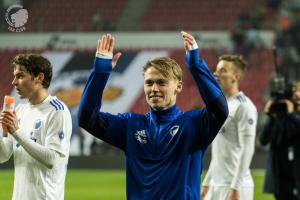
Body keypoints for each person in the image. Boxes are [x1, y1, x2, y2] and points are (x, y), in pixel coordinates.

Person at [78, 31, 228, 199]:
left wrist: (195, 65)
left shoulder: (194, 124)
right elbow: (86, 119)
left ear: (178, 86)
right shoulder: (130, 125)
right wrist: (100, 72)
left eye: (161, 82)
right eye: (149, 83)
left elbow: (221, 110)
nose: (154, 89)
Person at [0, 54, 72, 200]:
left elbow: (52, 159)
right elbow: (3, 155)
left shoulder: (58, 111)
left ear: (39, 78)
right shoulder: (20, 111)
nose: (14, 82)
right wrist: (5, 133)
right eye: (14, 76)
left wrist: (17, 132)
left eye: (20, 76)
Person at [201, 55, 257, 200]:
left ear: (235, 77)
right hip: (216, 185)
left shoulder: (244, 106)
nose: (215, 73)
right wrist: (207, 184)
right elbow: (220, 152)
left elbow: (247, 149)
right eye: (216, 70)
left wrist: (235, 187)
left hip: (235, 186)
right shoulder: (221, 106)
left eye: (222, 70)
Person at [259, 81, 300, 200]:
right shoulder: (280, 117)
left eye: (298, 90)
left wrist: (292, 114)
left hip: (296, 176)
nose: (296, 94)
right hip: (280, 178)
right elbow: (263, 140)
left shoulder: (293, 116)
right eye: (293, 91)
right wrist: (271, 116)